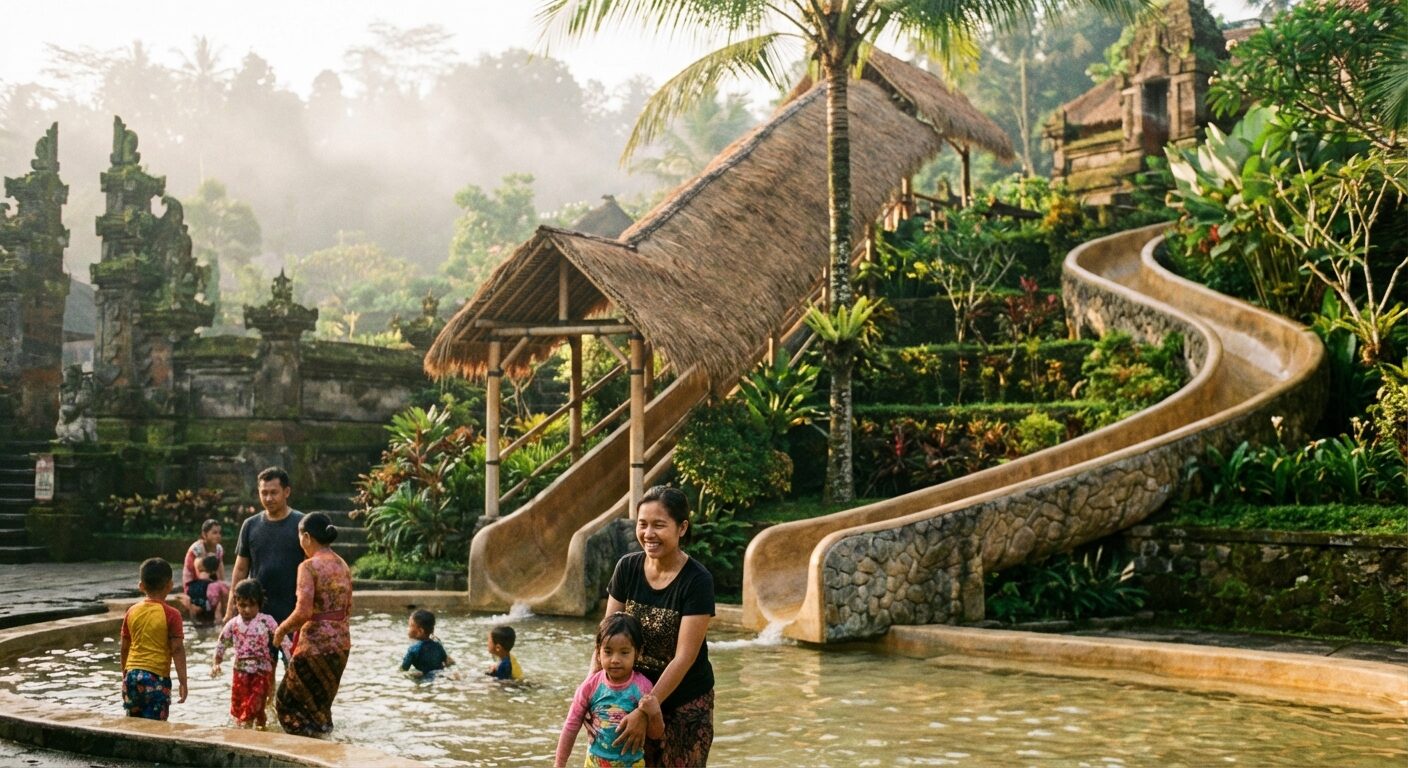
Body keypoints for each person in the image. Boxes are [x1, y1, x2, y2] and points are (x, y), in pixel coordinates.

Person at [603, 485, 715, 767]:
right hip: (628, 696)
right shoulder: (627, 568)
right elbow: (605, 637)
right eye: (642, 524)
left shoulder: (697, 580)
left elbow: (684, 657)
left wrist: (646, 711)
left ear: (681, 527)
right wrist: (594, 695)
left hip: (684, 704)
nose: (648, 534)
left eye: (659, 525)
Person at [273, 512, 352, 735]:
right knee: (319, 710)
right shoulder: (343, 564)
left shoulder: (308, 566)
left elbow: (303, 612)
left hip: (315, 646)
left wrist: (281, 630)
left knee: (286, 704)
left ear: (306, 537)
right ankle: (326, 748)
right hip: (341, 645)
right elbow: (348, 608)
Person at [554, 612, 663, 768]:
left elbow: (655, 734)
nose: (615, 660)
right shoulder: (590, 687)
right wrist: (559, 763)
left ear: (637, 653)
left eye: (624, 652)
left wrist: (654, 713)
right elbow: (571, 726)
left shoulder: (643, 687)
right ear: (598, 652)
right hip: (594, 764)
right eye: (608, 652)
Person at [226, 467, 305, 627]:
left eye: (274, 492)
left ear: (287, 492)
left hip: (293, 607)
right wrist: (231, 607)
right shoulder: (250, 525)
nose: (268, 498)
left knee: (293, 652)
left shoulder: (301, 524)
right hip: (257, 608)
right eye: (264, 493)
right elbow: (241, 569)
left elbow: (311, 565)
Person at [213, 578, 292, 728]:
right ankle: (260, 729)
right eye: (242, 605)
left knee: (255, 702)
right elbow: (221, 643)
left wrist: (290, 661)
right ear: (236, 603)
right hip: (240, 671)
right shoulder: (233, 624)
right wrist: (216, 663)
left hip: (261, 671)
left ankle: (246, 730)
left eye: (252, 605)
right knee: (240, 705)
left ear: (259, 604)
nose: (247, 610)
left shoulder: (266, 621)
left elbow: (283, 640)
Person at [119, 558, 188, 721]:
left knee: (133, 723)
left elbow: (124, 647)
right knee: (157, 728)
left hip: (132, 676)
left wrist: (125, 675)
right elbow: (177, 649)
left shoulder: (131, 611)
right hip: (156, 679)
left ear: (141, 586)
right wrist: (183, 682)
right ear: (170, 585)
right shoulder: (172, 614)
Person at [401, 609, 453, 676]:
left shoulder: (413, 650)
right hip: (440, 676)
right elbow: (447, 663)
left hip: (423, 679)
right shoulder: (438, 645)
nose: (408, 629)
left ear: (420, 631)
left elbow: (403, 670)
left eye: (410, 626)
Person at [184, 554, 230, 625]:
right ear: (216, 569)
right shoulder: (220, 586)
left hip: (197, 622)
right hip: (213, 620)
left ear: (199, 567)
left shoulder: (190, 586)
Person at [183, 518, 226, 588]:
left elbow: (220, 570)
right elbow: (200, 572)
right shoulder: (197, 548)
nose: (218, 536)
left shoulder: (219, 548)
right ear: (204, 534)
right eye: (214, 533)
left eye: (219, 533)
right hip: (193, 584)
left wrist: (222, 585)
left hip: (209, 584)